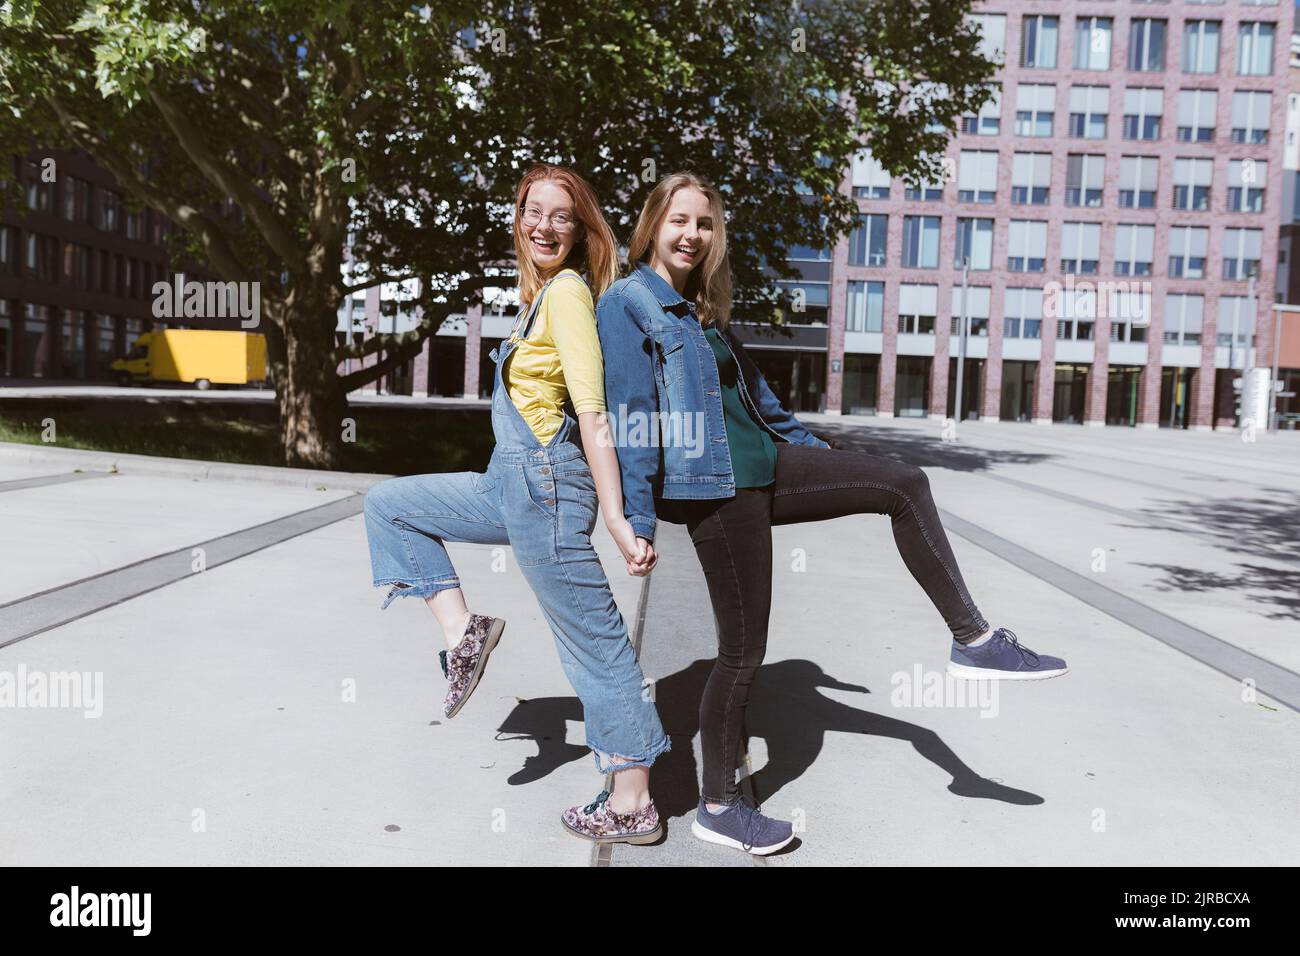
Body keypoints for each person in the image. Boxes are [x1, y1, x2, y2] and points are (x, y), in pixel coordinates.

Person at [596, 171, 1068, 855]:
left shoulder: (700, 307)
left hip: (764, 463)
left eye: (704, 223)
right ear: (651, 226)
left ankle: (974, 641)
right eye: (679, 221)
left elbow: (755, 394)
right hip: (715, 490)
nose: (692, 234)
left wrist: (814, 449)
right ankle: (720, 806)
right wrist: (635, 520)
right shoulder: (629, 302)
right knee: (742, 654)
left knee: (904, 481)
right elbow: (632, 414)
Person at [364, 164, 669, 844]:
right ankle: (463, 633)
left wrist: (618, 520)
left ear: (582, 228)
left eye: (563, 215)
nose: (545, 225)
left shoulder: (566, 295)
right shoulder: (539, 299)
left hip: (547, 484)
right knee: (390, 506)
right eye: (534, 210)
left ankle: (632, 799)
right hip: (509, 480)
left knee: (594, 645)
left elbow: (591, 413)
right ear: (519, 217)